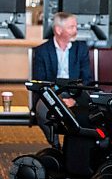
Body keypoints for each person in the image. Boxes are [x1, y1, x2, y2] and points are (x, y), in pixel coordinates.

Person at [32, 12, 91, 147]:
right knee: (42, 110)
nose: (75, 31)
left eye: (75, 27)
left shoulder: (81, 49)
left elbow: (86, 78)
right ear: (58, 30)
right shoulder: (42, 51)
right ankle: (56, 145)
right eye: (71, 27)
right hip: (52, 92)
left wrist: (74, 99)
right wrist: (57, 99)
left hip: (76, 91)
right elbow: (41, 81)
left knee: (87, 109)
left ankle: (73, 149)